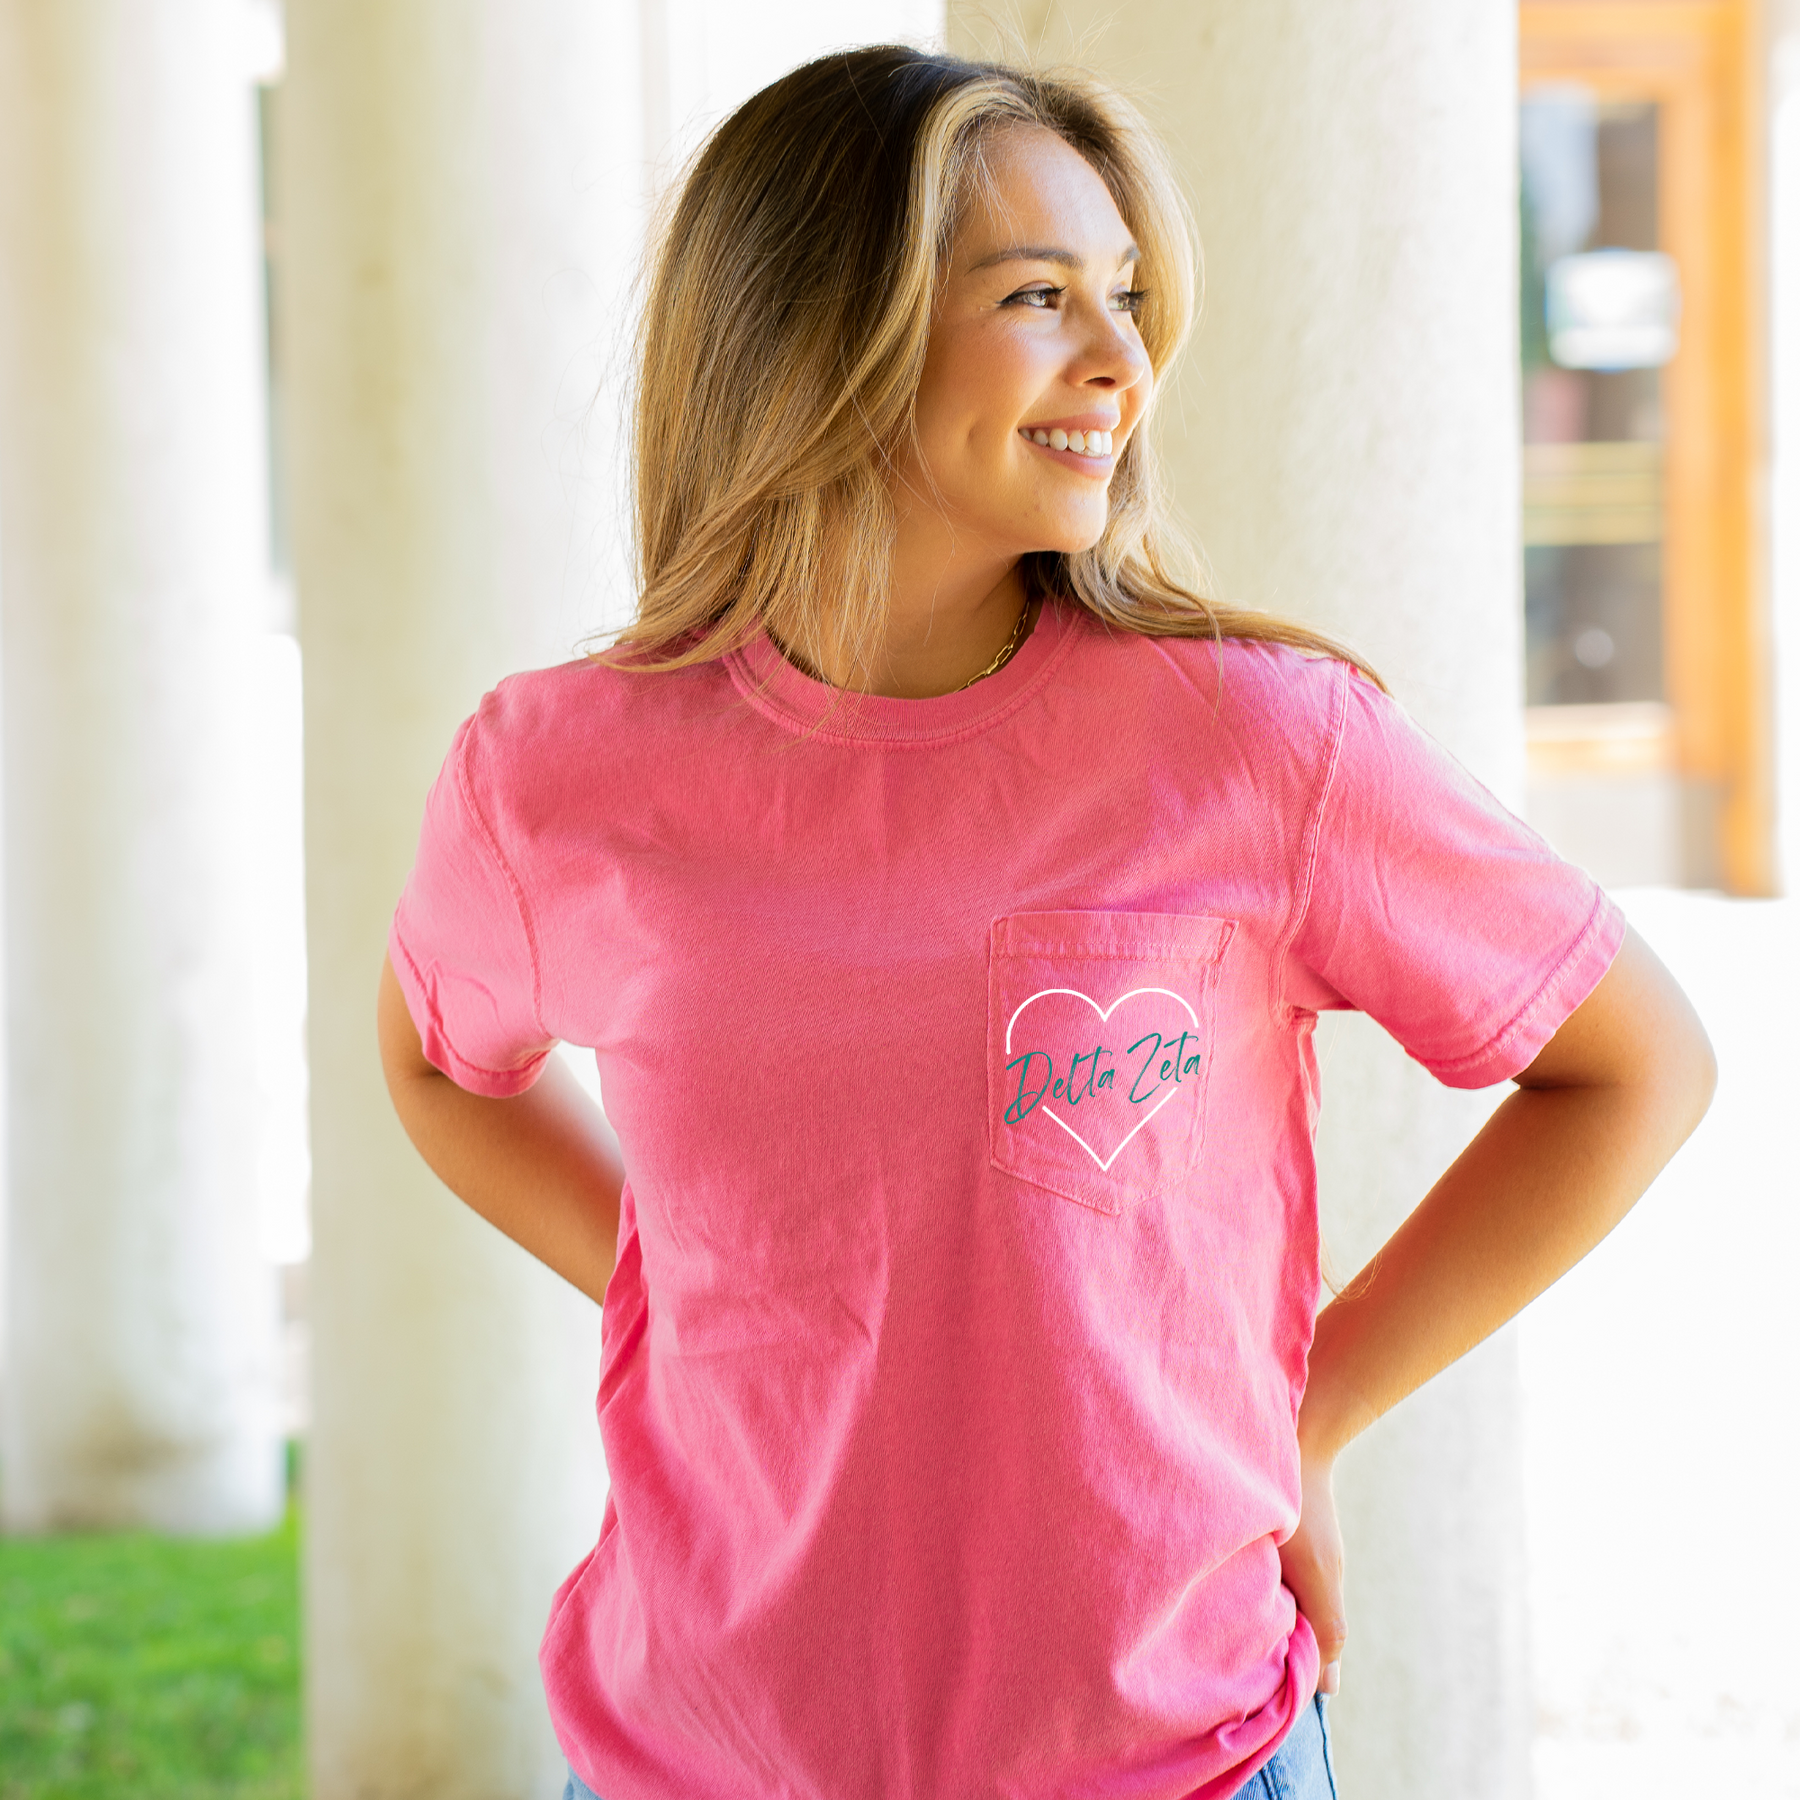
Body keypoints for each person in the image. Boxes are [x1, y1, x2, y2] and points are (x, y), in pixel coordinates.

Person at [377, 45, 1715, 1800]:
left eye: (1127, 297)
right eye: (1036, 296)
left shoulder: (1258, 745)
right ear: (820, 331)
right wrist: (668, 1269)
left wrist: (1309, 1411)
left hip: (1176, 1753)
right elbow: (439, 1062)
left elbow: (1637, 1066)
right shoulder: (555, 776)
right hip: (689, 1756)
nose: (1121, 361)